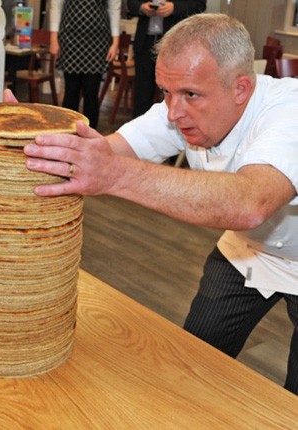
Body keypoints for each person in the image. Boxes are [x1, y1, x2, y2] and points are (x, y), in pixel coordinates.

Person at [22, 13, 298, 394]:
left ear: (241, 88)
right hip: (249, 250)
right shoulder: (179, 110)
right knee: (193, 360)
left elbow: (250, 203)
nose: (173, 112)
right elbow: (102, 151)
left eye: (190, 95)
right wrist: (20, 137)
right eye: (166, 92)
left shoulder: (288, 112)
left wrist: (115, 176)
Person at [49, 0, 121, 128]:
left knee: (91, 91)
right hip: (69, 37)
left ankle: (90, 134)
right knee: (71, 90)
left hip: (98, 40)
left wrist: (115, 42)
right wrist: (53, 38)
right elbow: (56, 6)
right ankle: (68, 131)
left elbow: (114, 9)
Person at [127, 0, 205, 118]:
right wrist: (142, 7)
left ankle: (176, 124)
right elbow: (131, 3)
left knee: (174, 90)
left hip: (175, 44)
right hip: (145, 42)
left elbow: (199, 4)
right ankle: (140, 126)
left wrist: (174, 7)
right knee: (142, 93)